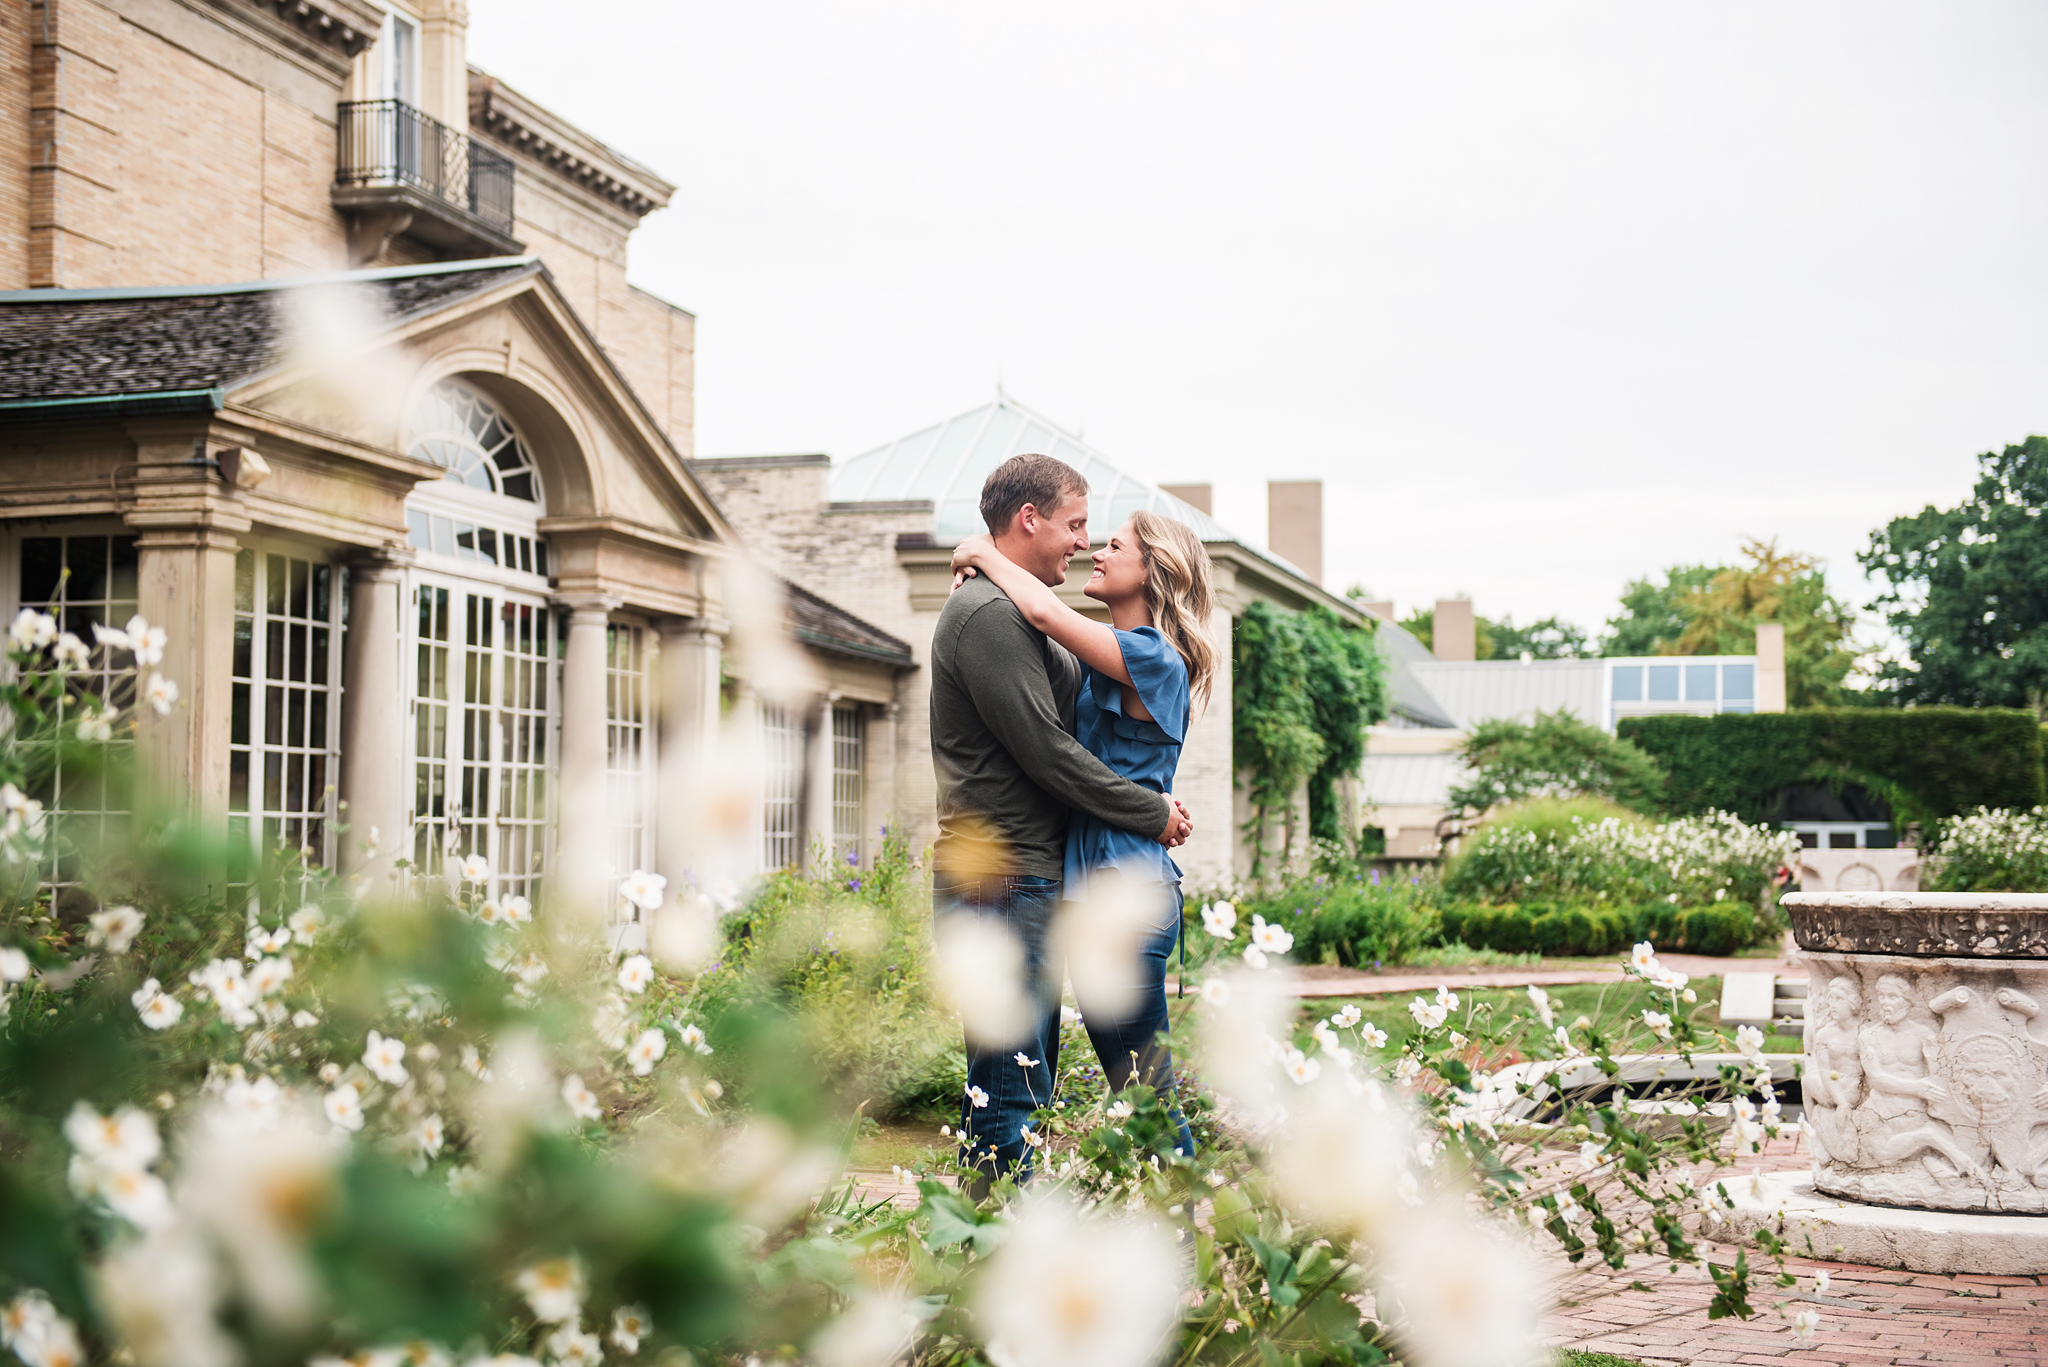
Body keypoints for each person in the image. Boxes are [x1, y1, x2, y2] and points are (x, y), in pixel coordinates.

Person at [930, 453, 1193, 1188]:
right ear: (1030, 520)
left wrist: (984, 552)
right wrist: (1151, 808)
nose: (1087, 543)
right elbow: (1049, 747)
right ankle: (989, 1255)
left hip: (1096, 888)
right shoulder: (991, 614)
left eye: (1108, 540)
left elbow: (1050, 625)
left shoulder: (1135, 654)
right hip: (1011, 879)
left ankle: (1176, 1244)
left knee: (1112, 1089)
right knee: (1017, 1094)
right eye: (1079, 527)